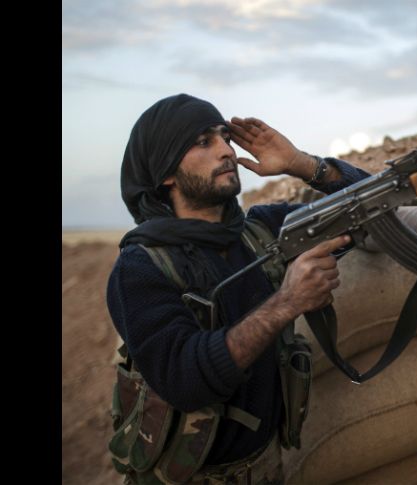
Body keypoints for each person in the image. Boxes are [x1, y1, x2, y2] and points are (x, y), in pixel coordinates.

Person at [106, 93, 370, 484]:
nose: (226, 151)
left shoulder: (263, 231)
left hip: (269, 468)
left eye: (225, 137)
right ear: (165, 173)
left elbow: (374, 204)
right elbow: (184, 380)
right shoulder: (140, 268)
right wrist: (287, 302)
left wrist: (300, 164)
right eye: (203, 142)